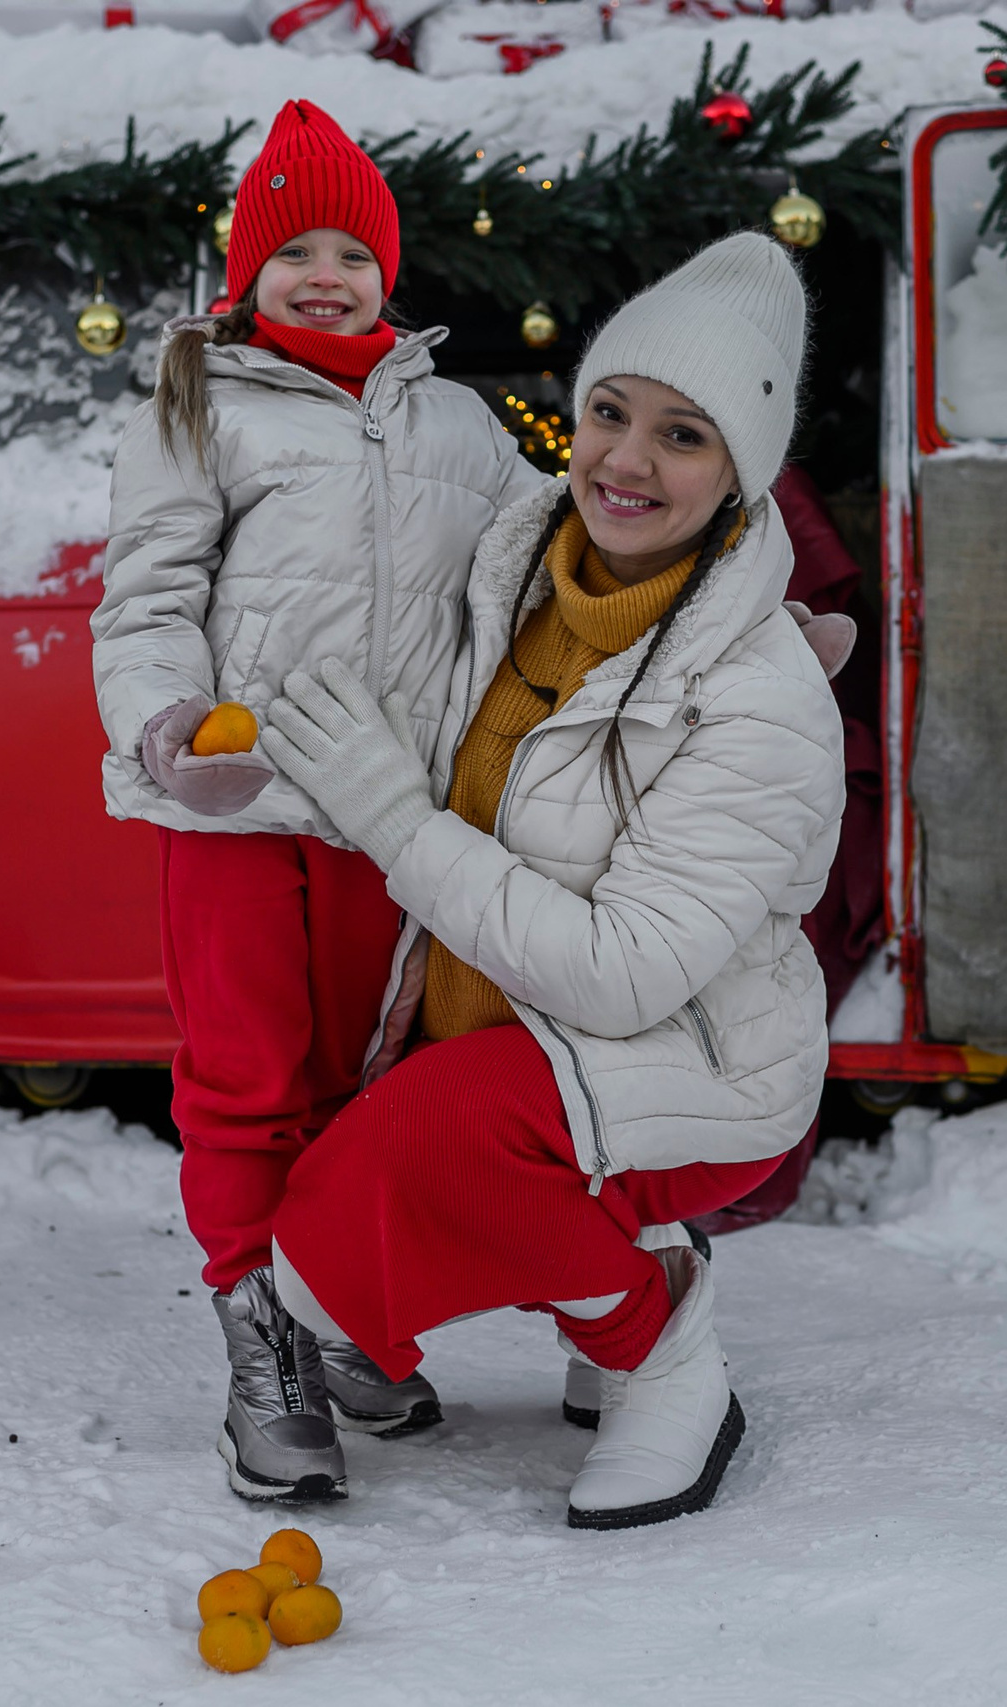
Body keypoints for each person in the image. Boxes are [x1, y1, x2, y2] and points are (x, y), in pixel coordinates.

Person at [259, 232, 846, 1528]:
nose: (626, 461)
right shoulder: (514, 571)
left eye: (684, 436)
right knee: (411, 1130)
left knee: (405, 1170)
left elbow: (626, 970)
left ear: (743, 474)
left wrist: (395, 819)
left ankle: (660, 1339)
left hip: (697, 1064)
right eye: (610, 412)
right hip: (513, 1029)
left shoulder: (761, 703)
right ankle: (612, 1270)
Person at [90, 98, 550, 1503]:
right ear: (247, 273)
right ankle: (262, 1346)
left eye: (354, 251)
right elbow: (146, 599)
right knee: (247, 1085)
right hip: (231, 808)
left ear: (388, 274)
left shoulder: (466, 425)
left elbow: (550, 566)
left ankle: (336, 1309)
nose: (328, 275)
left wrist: (733, 615)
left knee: (365, 1091)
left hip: (385, 816)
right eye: (297, 252)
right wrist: (171, 728)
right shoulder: (197, 403)